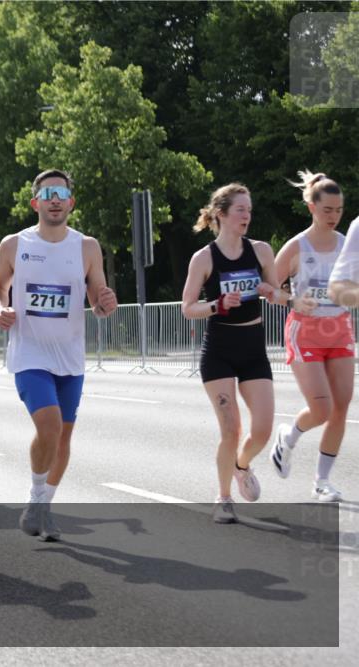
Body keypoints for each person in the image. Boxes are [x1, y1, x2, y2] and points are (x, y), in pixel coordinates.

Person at [0, 169, 118, 541]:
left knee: (62, 438)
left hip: (70, 358)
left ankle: (44, 507)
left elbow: (98, 297)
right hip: (29, 353)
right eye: (48, 193)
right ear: (36, 203)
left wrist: (105, 303)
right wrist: (0, 308)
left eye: (62, 192)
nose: (56, 199)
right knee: (48, 426)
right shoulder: (15, 244)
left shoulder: (87, 247)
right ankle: (34, 497)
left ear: (71, 202)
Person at [181, 183, 280, 524]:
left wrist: (273, 292)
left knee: (264, 429)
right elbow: (187, 308)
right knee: (230, 429)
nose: (247, 216)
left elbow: (279, 293)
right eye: (240, 210)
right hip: (219, 349)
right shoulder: (204, 258)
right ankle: (223, 498)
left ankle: (241, 466)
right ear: (221, 214)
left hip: (253, 346)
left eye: (249, 210)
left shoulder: (262, 251)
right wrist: (216, 305)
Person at [268, 172, 353, 502]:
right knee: (321, 409)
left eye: (339, 210)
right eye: (327, 209)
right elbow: (268, 288)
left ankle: (321, 482)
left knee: (341, 409)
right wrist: (292, 299)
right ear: (311, 208)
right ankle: (288, 437)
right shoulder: (297, 247)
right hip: (305, 333)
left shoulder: (347, 245)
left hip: (340, 330)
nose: (334, 216)